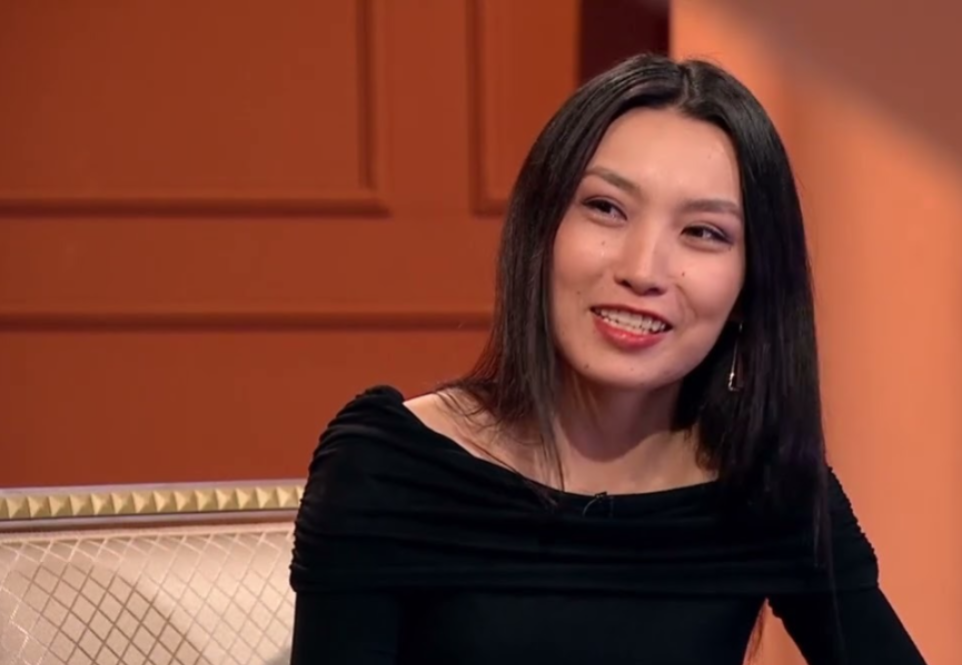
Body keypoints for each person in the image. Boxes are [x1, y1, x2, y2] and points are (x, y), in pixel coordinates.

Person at [288, 53, 926, 664]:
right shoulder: (389, 466)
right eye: (606, 209)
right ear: (541, 232)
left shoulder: (766, 487)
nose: (642, 270)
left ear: (748, 286)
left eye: (703, 232)